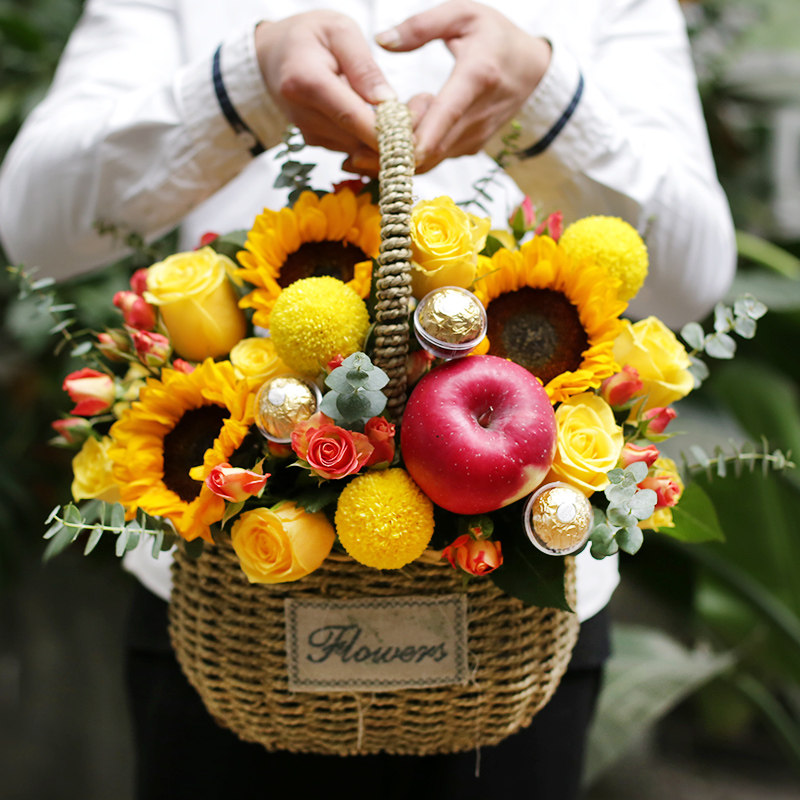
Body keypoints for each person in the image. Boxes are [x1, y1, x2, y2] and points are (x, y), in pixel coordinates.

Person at [0, 1, 736, 798]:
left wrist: (548, 104)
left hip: (519, 620)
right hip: (223, 600)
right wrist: (239, 87)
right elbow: (33, 224)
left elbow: (695, 275)